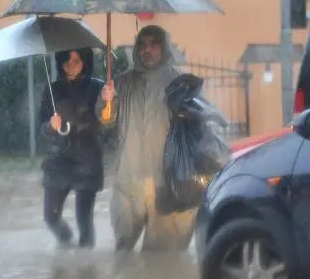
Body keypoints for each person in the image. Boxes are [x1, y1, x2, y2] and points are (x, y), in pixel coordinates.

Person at [98, 25, 196, 252]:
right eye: (142, 45)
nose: (147, 50)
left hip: (165, 183)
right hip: (128, 182)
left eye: (154, 44)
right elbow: (106, 120)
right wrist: (106, 101)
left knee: (159, 257)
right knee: (123, 251)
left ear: (164, 48)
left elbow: (195, 127)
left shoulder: (178, 83)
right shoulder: (121, 83)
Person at [39, 48, 105, 249]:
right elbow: (43, 128)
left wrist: (108, 101)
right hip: (58, 160)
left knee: (84, 221)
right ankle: (66, 244)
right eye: (66, 61)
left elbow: (107, 120)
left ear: (85, 61)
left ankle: (86, 269)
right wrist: (51, 125)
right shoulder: (52, 90)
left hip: (88, 160)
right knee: (50, 216)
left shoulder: (98, 88)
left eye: (76, 60)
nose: (71, 66)